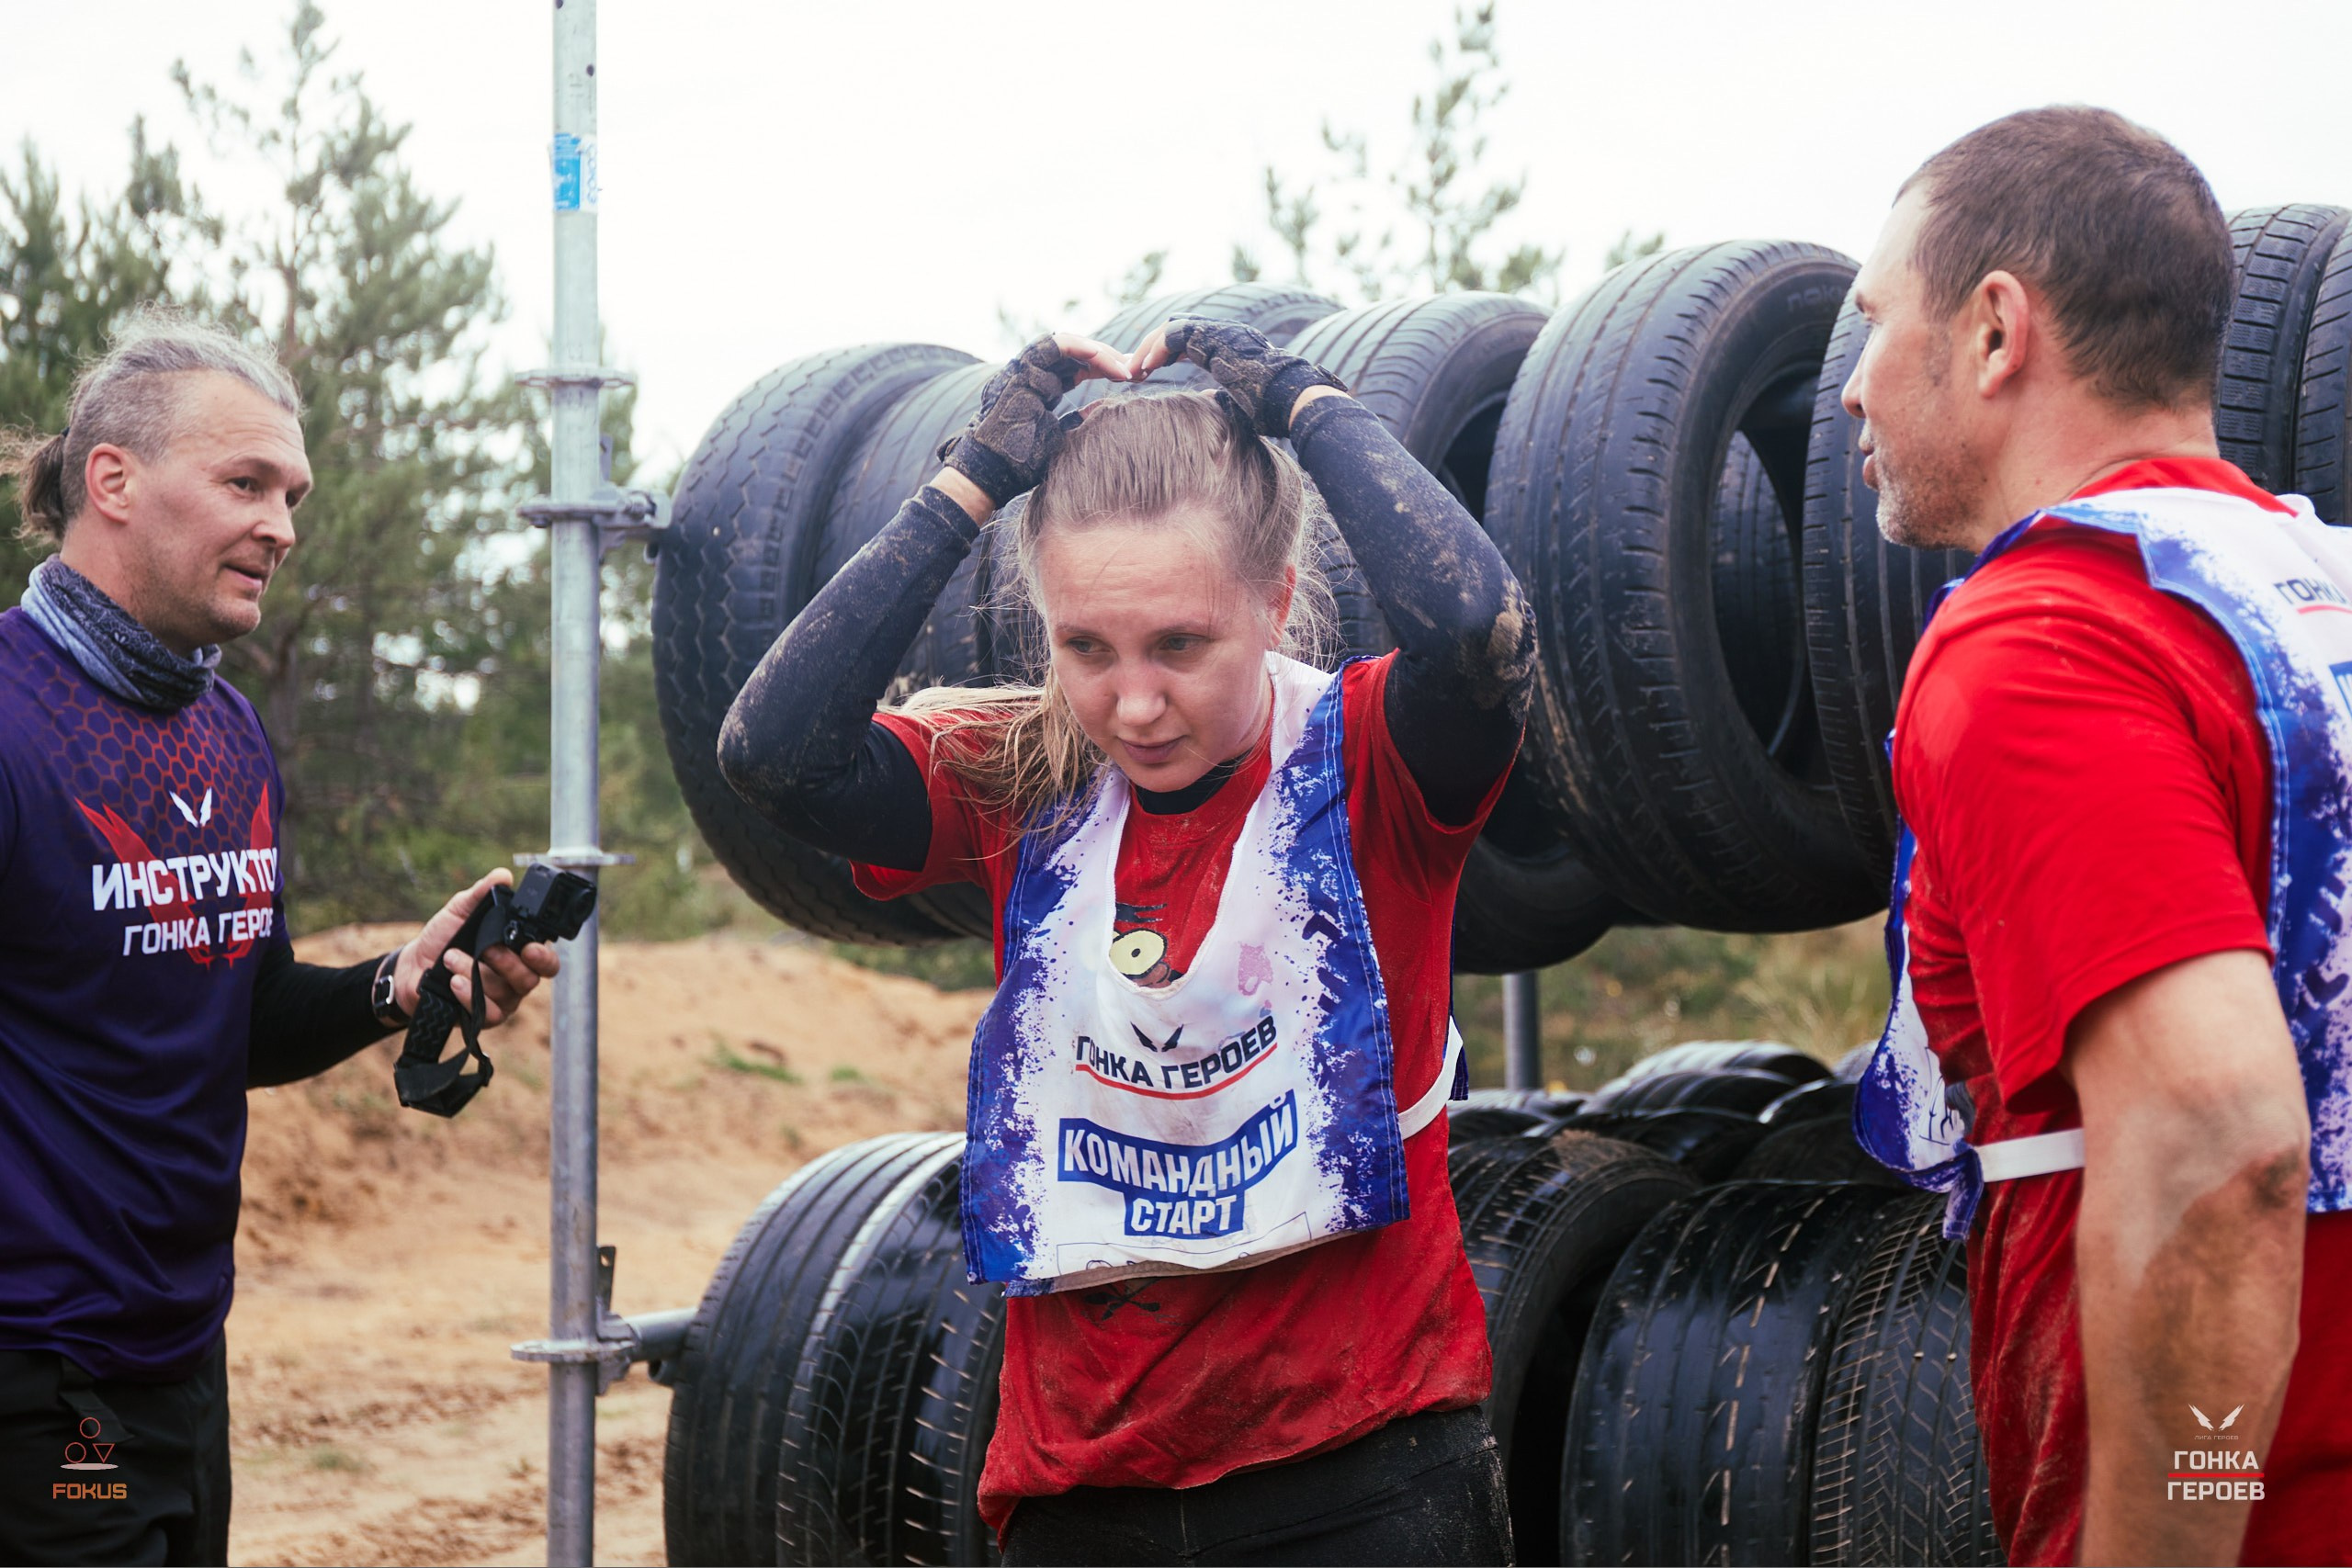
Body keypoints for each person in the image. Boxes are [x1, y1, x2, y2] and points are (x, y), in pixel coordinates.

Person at [720, 319, 1532, 1564]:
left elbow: (1478, 631)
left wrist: (1309, 401)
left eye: (1181, 645)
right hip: (1083, 1488)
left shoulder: (1371, 758)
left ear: (1272, 603)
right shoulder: (1022, 773)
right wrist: (966, 484)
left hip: (1362, 1471)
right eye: (1086, 647)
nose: (1135, 703)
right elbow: (772, 754)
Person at [1847, 107, 2352, 1565]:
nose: (1852, 394)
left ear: (1997, 331)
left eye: (1876, 322)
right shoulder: (2311, 588)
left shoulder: (2046, 635)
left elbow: (2219, 1140)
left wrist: (2175, 1532)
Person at [0, 310, 560, 1566]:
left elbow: (233, 1020)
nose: (285, 526)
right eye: (245, 482)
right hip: (39, 1379)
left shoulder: (229, 732)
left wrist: (396, 987)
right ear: (115, 483)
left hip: (185, 1349)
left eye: (293, 493)